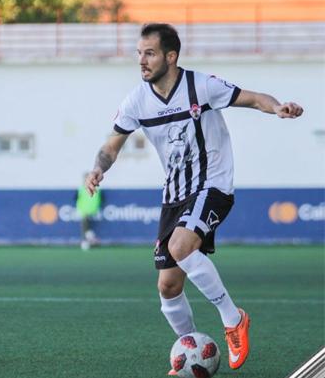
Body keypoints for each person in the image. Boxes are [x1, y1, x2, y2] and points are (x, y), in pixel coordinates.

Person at [85, 23, 303, 375]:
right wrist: (98, 168)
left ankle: (234, 319)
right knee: (168, 287)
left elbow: (253, 98)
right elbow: (112, 144)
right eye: (139, 53)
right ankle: (191, 351)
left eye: (150, 53)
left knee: (181, 246)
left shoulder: (200, 86)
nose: (141, 60)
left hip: (212, 186)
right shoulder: (136, 100)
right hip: (174, 196)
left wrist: (277, 108)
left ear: (171, 57)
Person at [76, 172, 102, 250]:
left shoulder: (95, 189)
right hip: (84, 210)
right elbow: (79, 199)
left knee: (85, 224)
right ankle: (89, 238)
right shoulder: (81, 188)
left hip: (91, 210)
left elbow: (97, 200)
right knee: (85, 224)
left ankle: (87, 239)